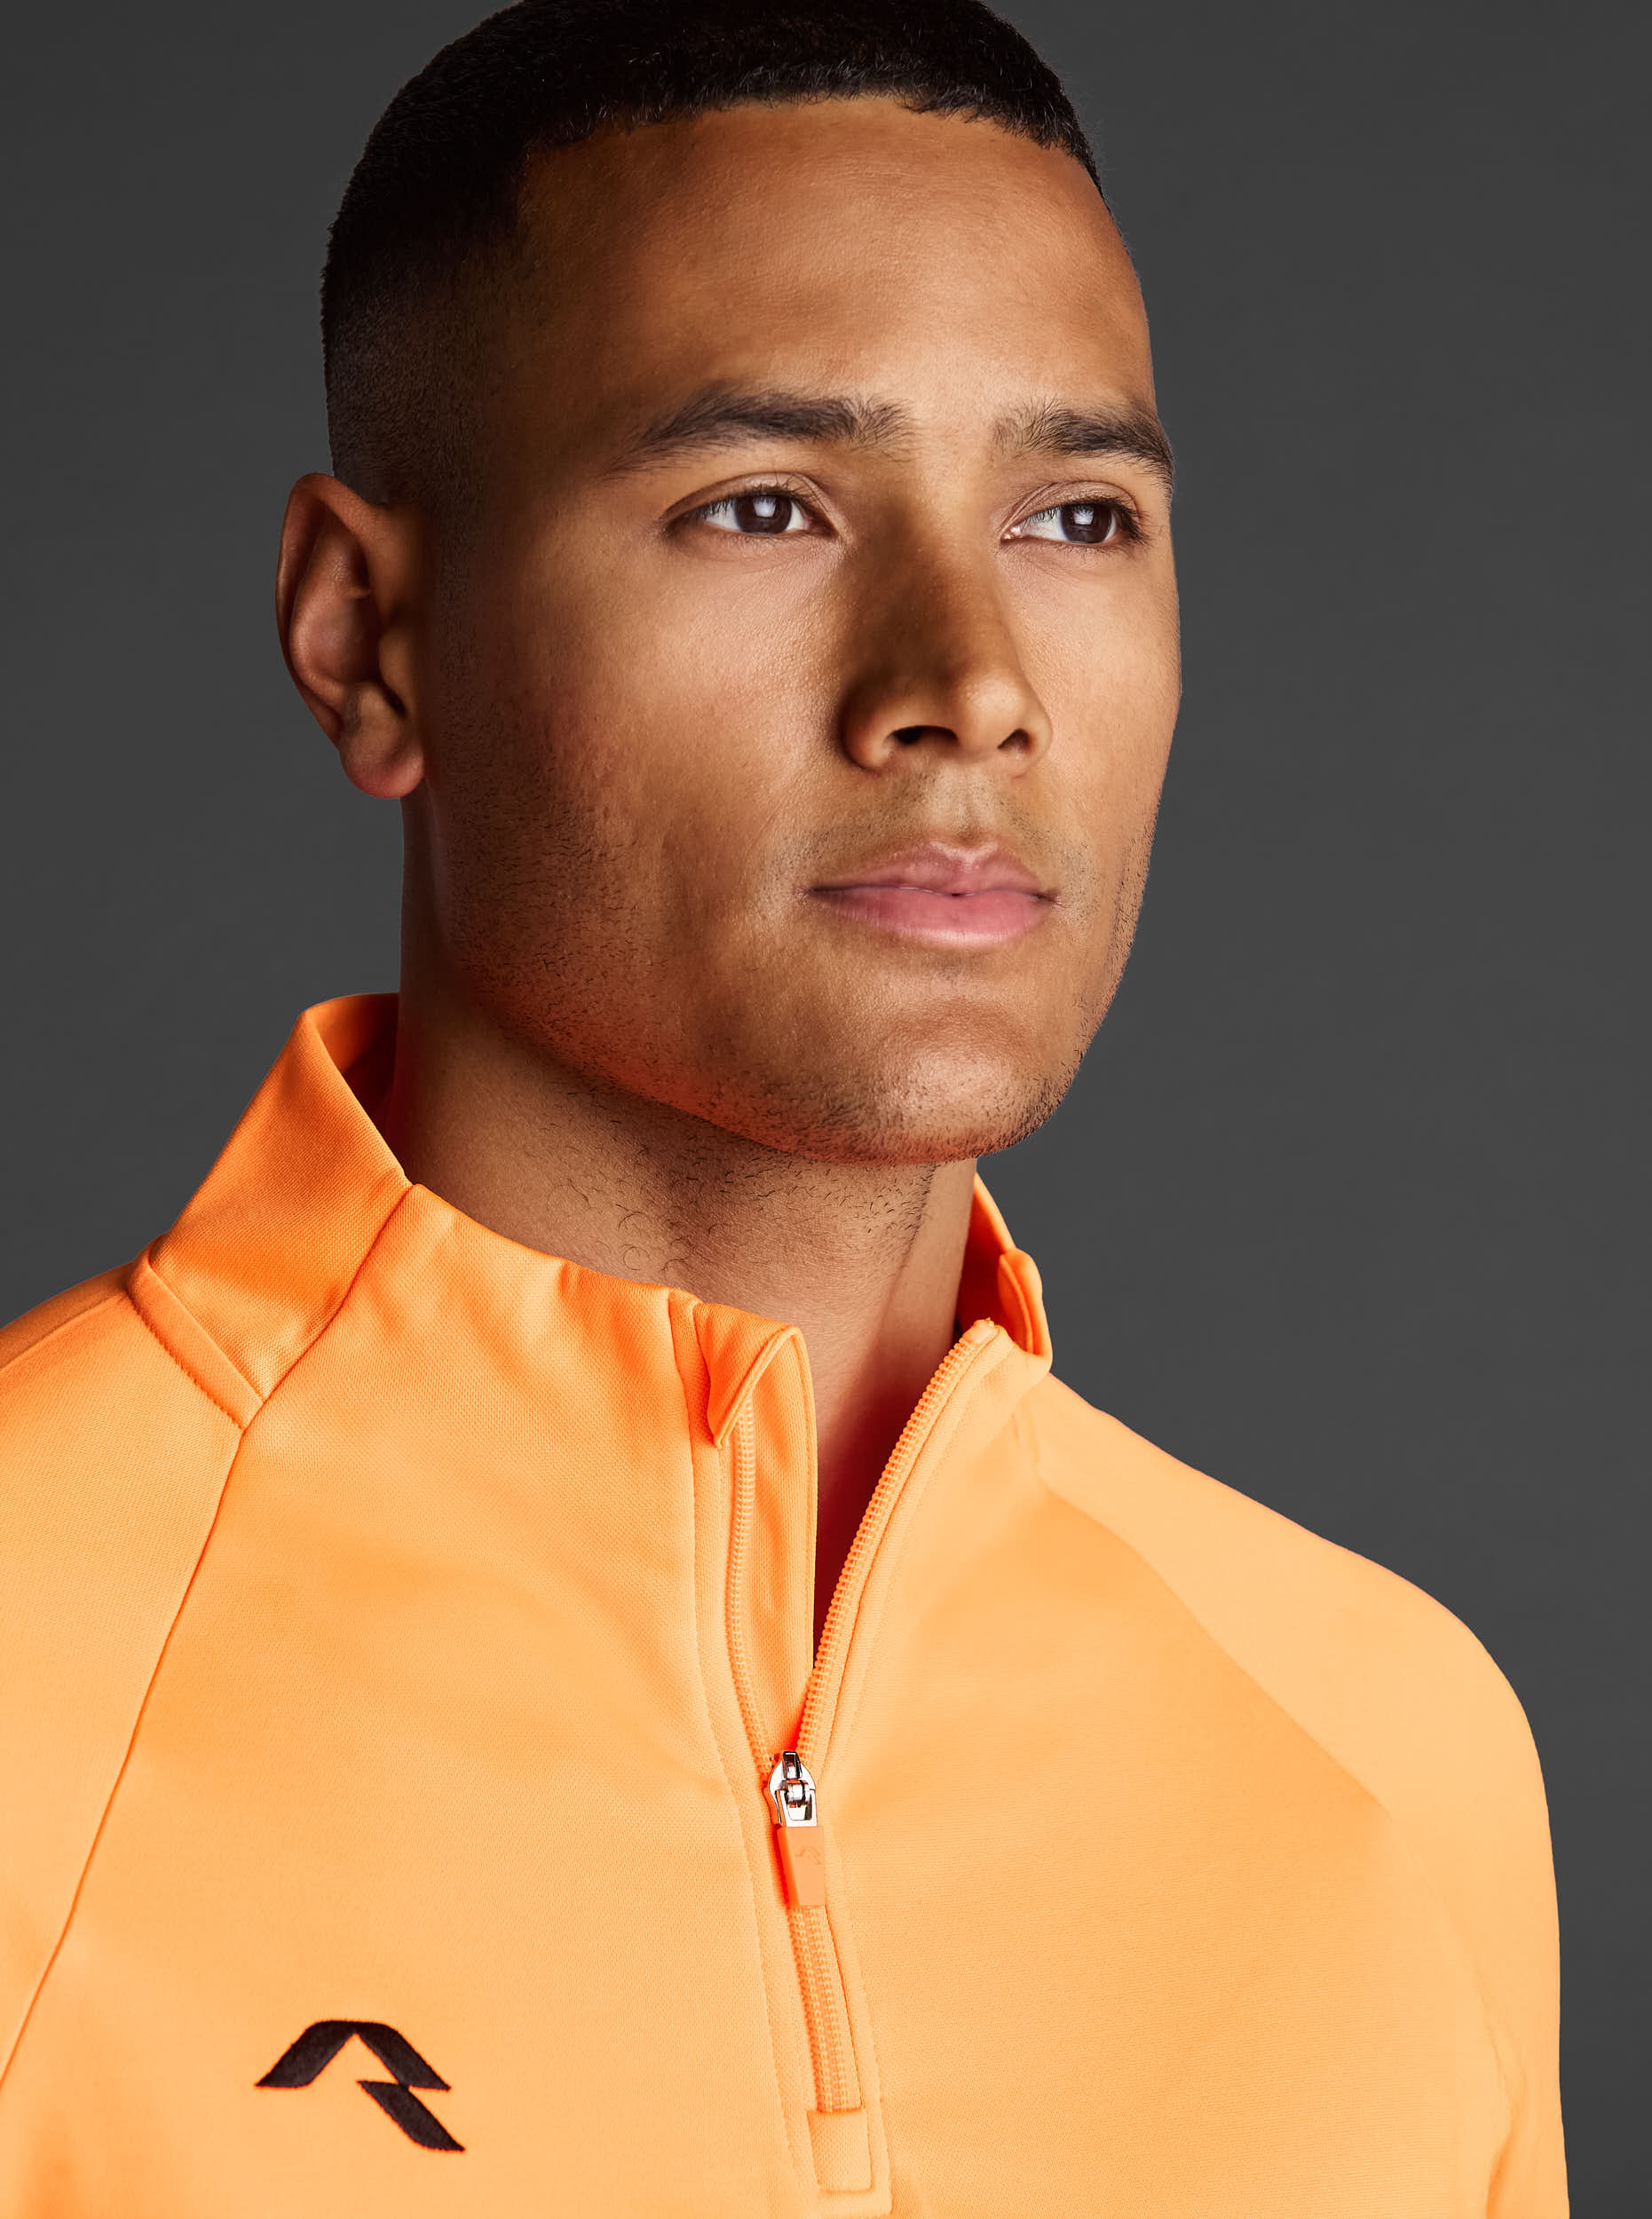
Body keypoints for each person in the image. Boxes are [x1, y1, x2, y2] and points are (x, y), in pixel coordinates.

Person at [0, 1, 1565, 2210]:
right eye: (764, 506)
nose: (970, 686)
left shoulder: (1388, 1743)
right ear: (366, 635)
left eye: (1076, 514)